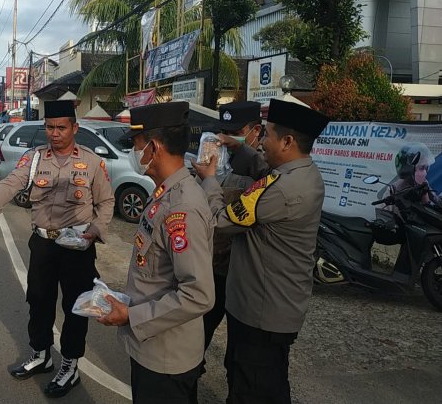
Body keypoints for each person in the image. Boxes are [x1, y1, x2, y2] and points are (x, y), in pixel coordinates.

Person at [0, 100, 114, 398]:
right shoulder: (34, 159)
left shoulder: (91, 162)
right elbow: (11, 182)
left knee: (76, 306)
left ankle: (70, 364)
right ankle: (41, 354)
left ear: (75, 128)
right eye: (49, 127)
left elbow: (106, 202)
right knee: (38, 299)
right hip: (44, 243)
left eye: (61, 127)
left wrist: (94, 232)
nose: (55, 133)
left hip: (77, 246)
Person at [192, 99, 330, 404]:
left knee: (254, 387)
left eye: (266, 135)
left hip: (262, 312)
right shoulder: (299, 173)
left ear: (288, 141)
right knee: (261, 378)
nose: (262, 142)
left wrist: (210, 181)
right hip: (268, 306)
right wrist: (236, 146)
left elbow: (219, 221)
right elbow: (263, 168)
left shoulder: (282, 189)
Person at [97, 102, 215, 404]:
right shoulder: (164, 192)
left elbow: (199, 294)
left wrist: (131, 315)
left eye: (135, 144)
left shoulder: (182, 207)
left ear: (153, 146)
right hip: (152, 344)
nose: (133, 153)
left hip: (166, 355)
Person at [202, 102, 260, 352]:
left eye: (235, 131)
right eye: (223, 130)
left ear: (255, 131)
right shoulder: (216, 158)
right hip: (215, 264)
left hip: (244, 270)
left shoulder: (265, 165)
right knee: (203, 326)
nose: (225, 138)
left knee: (242, 344)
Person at [383, 142, 440, 210]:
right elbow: (384, 215)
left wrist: (427, 201)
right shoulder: (394, 191)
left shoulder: (424, 184)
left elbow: (436, 204)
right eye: (422, 168)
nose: (425, 173)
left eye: (426, 168)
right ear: (408, 170)